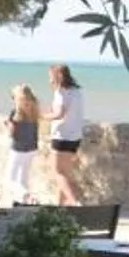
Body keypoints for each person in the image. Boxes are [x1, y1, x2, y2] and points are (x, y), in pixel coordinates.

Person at [47, 63, 87, 205]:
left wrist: (41, 116)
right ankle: (60, 209)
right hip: (75, 137)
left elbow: (59, 114)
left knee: (57, 172)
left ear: (59, 76)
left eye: (51, 77)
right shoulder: (77, 92)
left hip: (61, 136)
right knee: (65, 174)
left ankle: (73, 201)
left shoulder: (60, 92)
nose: (50, 81)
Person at [5, 82, 42, 204]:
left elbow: (11, 133)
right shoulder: (34, 109)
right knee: (23, 178)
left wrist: (8, 124)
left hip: (18, 149)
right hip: (32, 148)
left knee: (9, 180)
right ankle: (22, 202)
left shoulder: (16, 112)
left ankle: (26, 196)